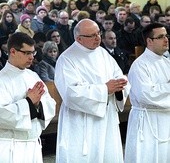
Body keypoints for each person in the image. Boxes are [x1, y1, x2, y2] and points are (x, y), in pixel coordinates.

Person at [54, 18, 130, 163]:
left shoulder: (102, 53)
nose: (98, 38)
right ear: (79, 38)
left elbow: (118, 75)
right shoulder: (67, 59)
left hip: (106, 117)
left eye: (99, 33)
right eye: (92, 35)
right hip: (81, 120)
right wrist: (104, 89)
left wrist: (120, 85)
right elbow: (70, 93)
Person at [0, 32, 56, 162]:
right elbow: (2, 114)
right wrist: (29, 102)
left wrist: (38, 105)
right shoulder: (2, 80)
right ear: (13, 51)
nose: (31, 57)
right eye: (27, 53)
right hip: (11, 147)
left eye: (33, 52)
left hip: (33, 145)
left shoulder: (33, 76)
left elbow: (50, 104)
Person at [124, 23, 170, 163]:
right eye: (161, 37)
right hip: (147, 120)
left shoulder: (166, 63)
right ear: (149, 41)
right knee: (146, 157)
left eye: (166, 35)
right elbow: (146, 95)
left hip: (165, 119)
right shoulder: (140, 65)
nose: (166, 39)